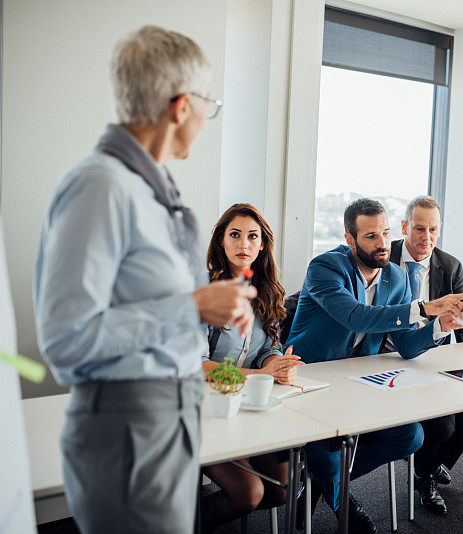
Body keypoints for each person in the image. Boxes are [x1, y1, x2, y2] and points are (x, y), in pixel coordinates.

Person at [34, 26, 256, 532]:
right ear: (182, 107)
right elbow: (66, 340)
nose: (207, 119)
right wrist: (193, 307)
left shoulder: (150, 193)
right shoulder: (100, 187)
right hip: (127, 431)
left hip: (168, 420)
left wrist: (208, 307)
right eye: (210, 106)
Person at [285, 198, 463, 533]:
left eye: (385, 233)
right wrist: (426, 307)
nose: (382, 243)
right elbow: (357, 315)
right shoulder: (325, 268)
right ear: (350, 239)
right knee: (327, 442)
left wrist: (439, 327)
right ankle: (345, 504)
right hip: (308, 379)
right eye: (371, 236)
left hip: (357, 382)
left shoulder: (398, 278)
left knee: (410, 436)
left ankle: (317, 481)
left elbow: (405, 345)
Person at [388, 195, 463, 515]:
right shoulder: (385, 260)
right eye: (420, 229)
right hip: (392, 356)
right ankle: (426, 474)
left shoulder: (449, 265)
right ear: (405, 226)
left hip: (440, 357)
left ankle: (429, 467)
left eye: (434, 230)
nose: (427, 238)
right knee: (442, 425)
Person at [199, 204, 304, 532]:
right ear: (221, 241)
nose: (244, 244)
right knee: (249, 492)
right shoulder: (206, 291)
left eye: (252, 237)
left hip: (245, 403)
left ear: (262, 245)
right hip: (200, 406)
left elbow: (268, 350)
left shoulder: (266, 290)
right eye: (235, 235)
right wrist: (263, 376)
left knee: (281, 489)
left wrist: (279, 365)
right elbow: (197, 365)